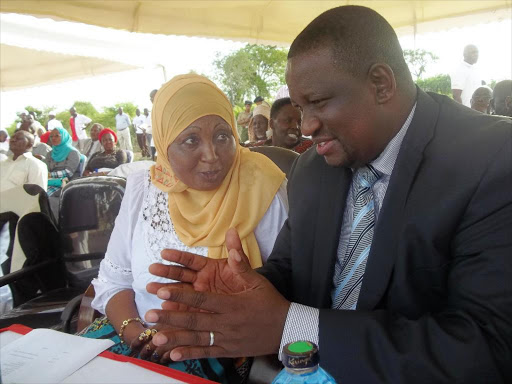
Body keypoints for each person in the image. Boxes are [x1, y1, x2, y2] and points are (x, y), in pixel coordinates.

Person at [144, 6, 512, 384]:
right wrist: (243, 292)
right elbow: (293, 269)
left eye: (318, 103)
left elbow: (487, 348)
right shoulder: (312, 170)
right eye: (300, 109)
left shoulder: (493, 160)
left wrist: (292, 328)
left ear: (381, 84)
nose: (306, 127)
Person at [80, 74, 288, 383]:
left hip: (217, 348)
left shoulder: (263, 186)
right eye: (191, 140)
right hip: (130, 332)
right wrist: (136, 333)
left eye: (222, 136)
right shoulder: (142, 187)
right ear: (164, 143)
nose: (211, 155)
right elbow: (114, 279)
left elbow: (286, 284)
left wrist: (194, 329)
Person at [45, 127, 81, 196]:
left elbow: (69, 172)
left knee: (44, 195)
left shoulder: (72, 152)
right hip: (50, 181)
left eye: (57, 136)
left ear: (64, 136)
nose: (53, 138)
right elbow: (45, 169)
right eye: (51, 136)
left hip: (66, 184)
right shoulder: (50, 154)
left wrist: (50, 175)